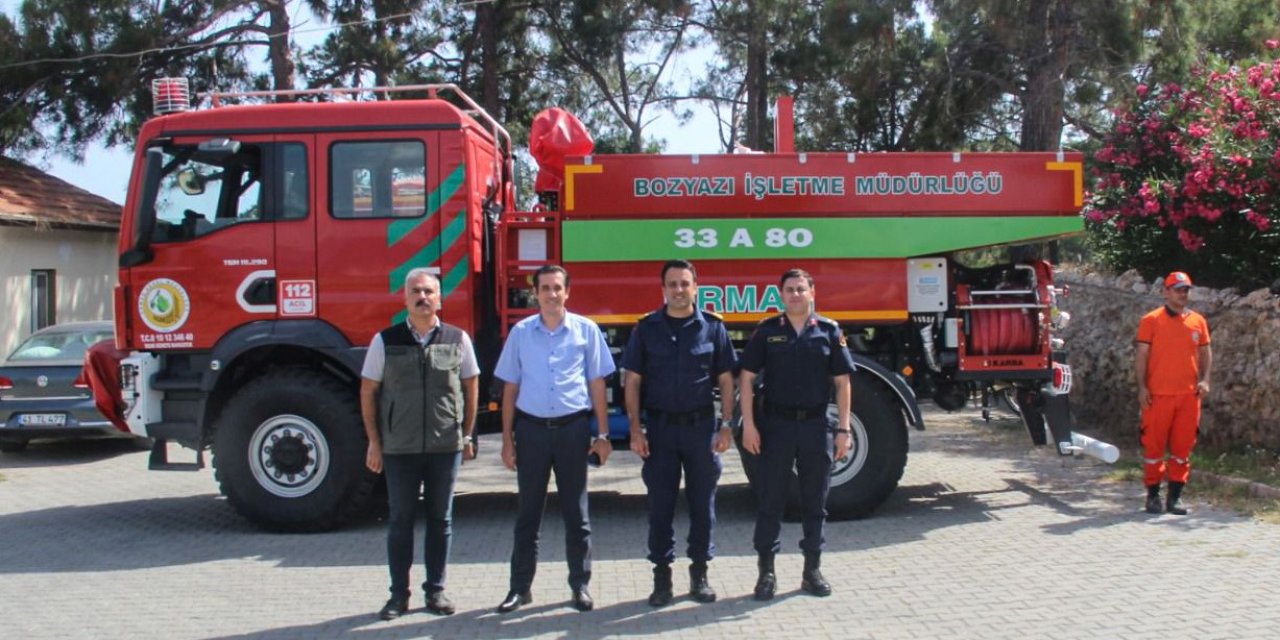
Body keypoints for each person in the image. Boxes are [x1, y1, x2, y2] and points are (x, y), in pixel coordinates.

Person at [494, 264, 616, 613]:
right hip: (531, 431)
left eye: (557, 288)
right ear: (535, 293)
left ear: (567, 292)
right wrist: (507, 440)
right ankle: (520, 589)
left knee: (577, 514)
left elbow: (597, 383)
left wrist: (603, 434)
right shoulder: (520, 333)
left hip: (572, 431)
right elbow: (510, 388)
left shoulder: (585, 331)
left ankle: (580, 585)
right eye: (544, 288)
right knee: (527, 515)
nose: (550, 294)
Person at [360, 268, 479, 620]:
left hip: (445, 447)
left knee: (440, 520)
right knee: (400, 521)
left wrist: (467, 435)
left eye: (429, 291)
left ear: (439, 298)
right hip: (400, 448)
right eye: (416, 291)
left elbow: (471, 385)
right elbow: (368, 390)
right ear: (405, 298)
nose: (422, 297)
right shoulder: (386, 340)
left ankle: (436, 592)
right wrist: (374, 443)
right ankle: (398, 595)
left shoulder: (458, 339)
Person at [622, 260, 737, 607]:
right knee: (660, 507)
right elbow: (633, 382)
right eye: (672, 284)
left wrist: (727, 425)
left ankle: (699, 575)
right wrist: (635, 430)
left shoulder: (713, 328)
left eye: (684, 283)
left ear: (695, 287)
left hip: (701, 431)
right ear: (663, 289)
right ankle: (662, 578)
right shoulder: (646, 329)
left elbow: (727, 380)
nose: (678, 290)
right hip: (659, 431)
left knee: (704, 506)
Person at [739, 268, 855, 600]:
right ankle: (766, 574)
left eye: (801, 289)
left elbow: (843, 382)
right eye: (789, 289)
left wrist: (844, 429)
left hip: (816, 426)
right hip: (775, 427)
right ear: (781, 295)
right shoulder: (767, 331)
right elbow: (746, 377)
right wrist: (748, 424)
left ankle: (812, 571)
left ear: (812, 293)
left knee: (815, 501)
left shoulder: (829, 331)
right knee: (770, 501)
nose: (795, 294)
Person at [1135, 270, 1212, 516]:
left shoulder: (1198, 321)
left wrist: (1205, 379)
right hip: (1157, 396)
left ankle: (1175, 498)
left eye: (1185, 289)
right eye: (1177, 289)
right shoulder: (1151, 320)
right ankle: (1153, 497)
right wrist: (1142, 387)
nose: (1182, 293)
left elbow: (1205, 351)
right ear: (1165, 292)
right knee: (1154, 448)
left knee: (1182, 448)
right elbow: (1142, 355)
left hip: (1189, 397)